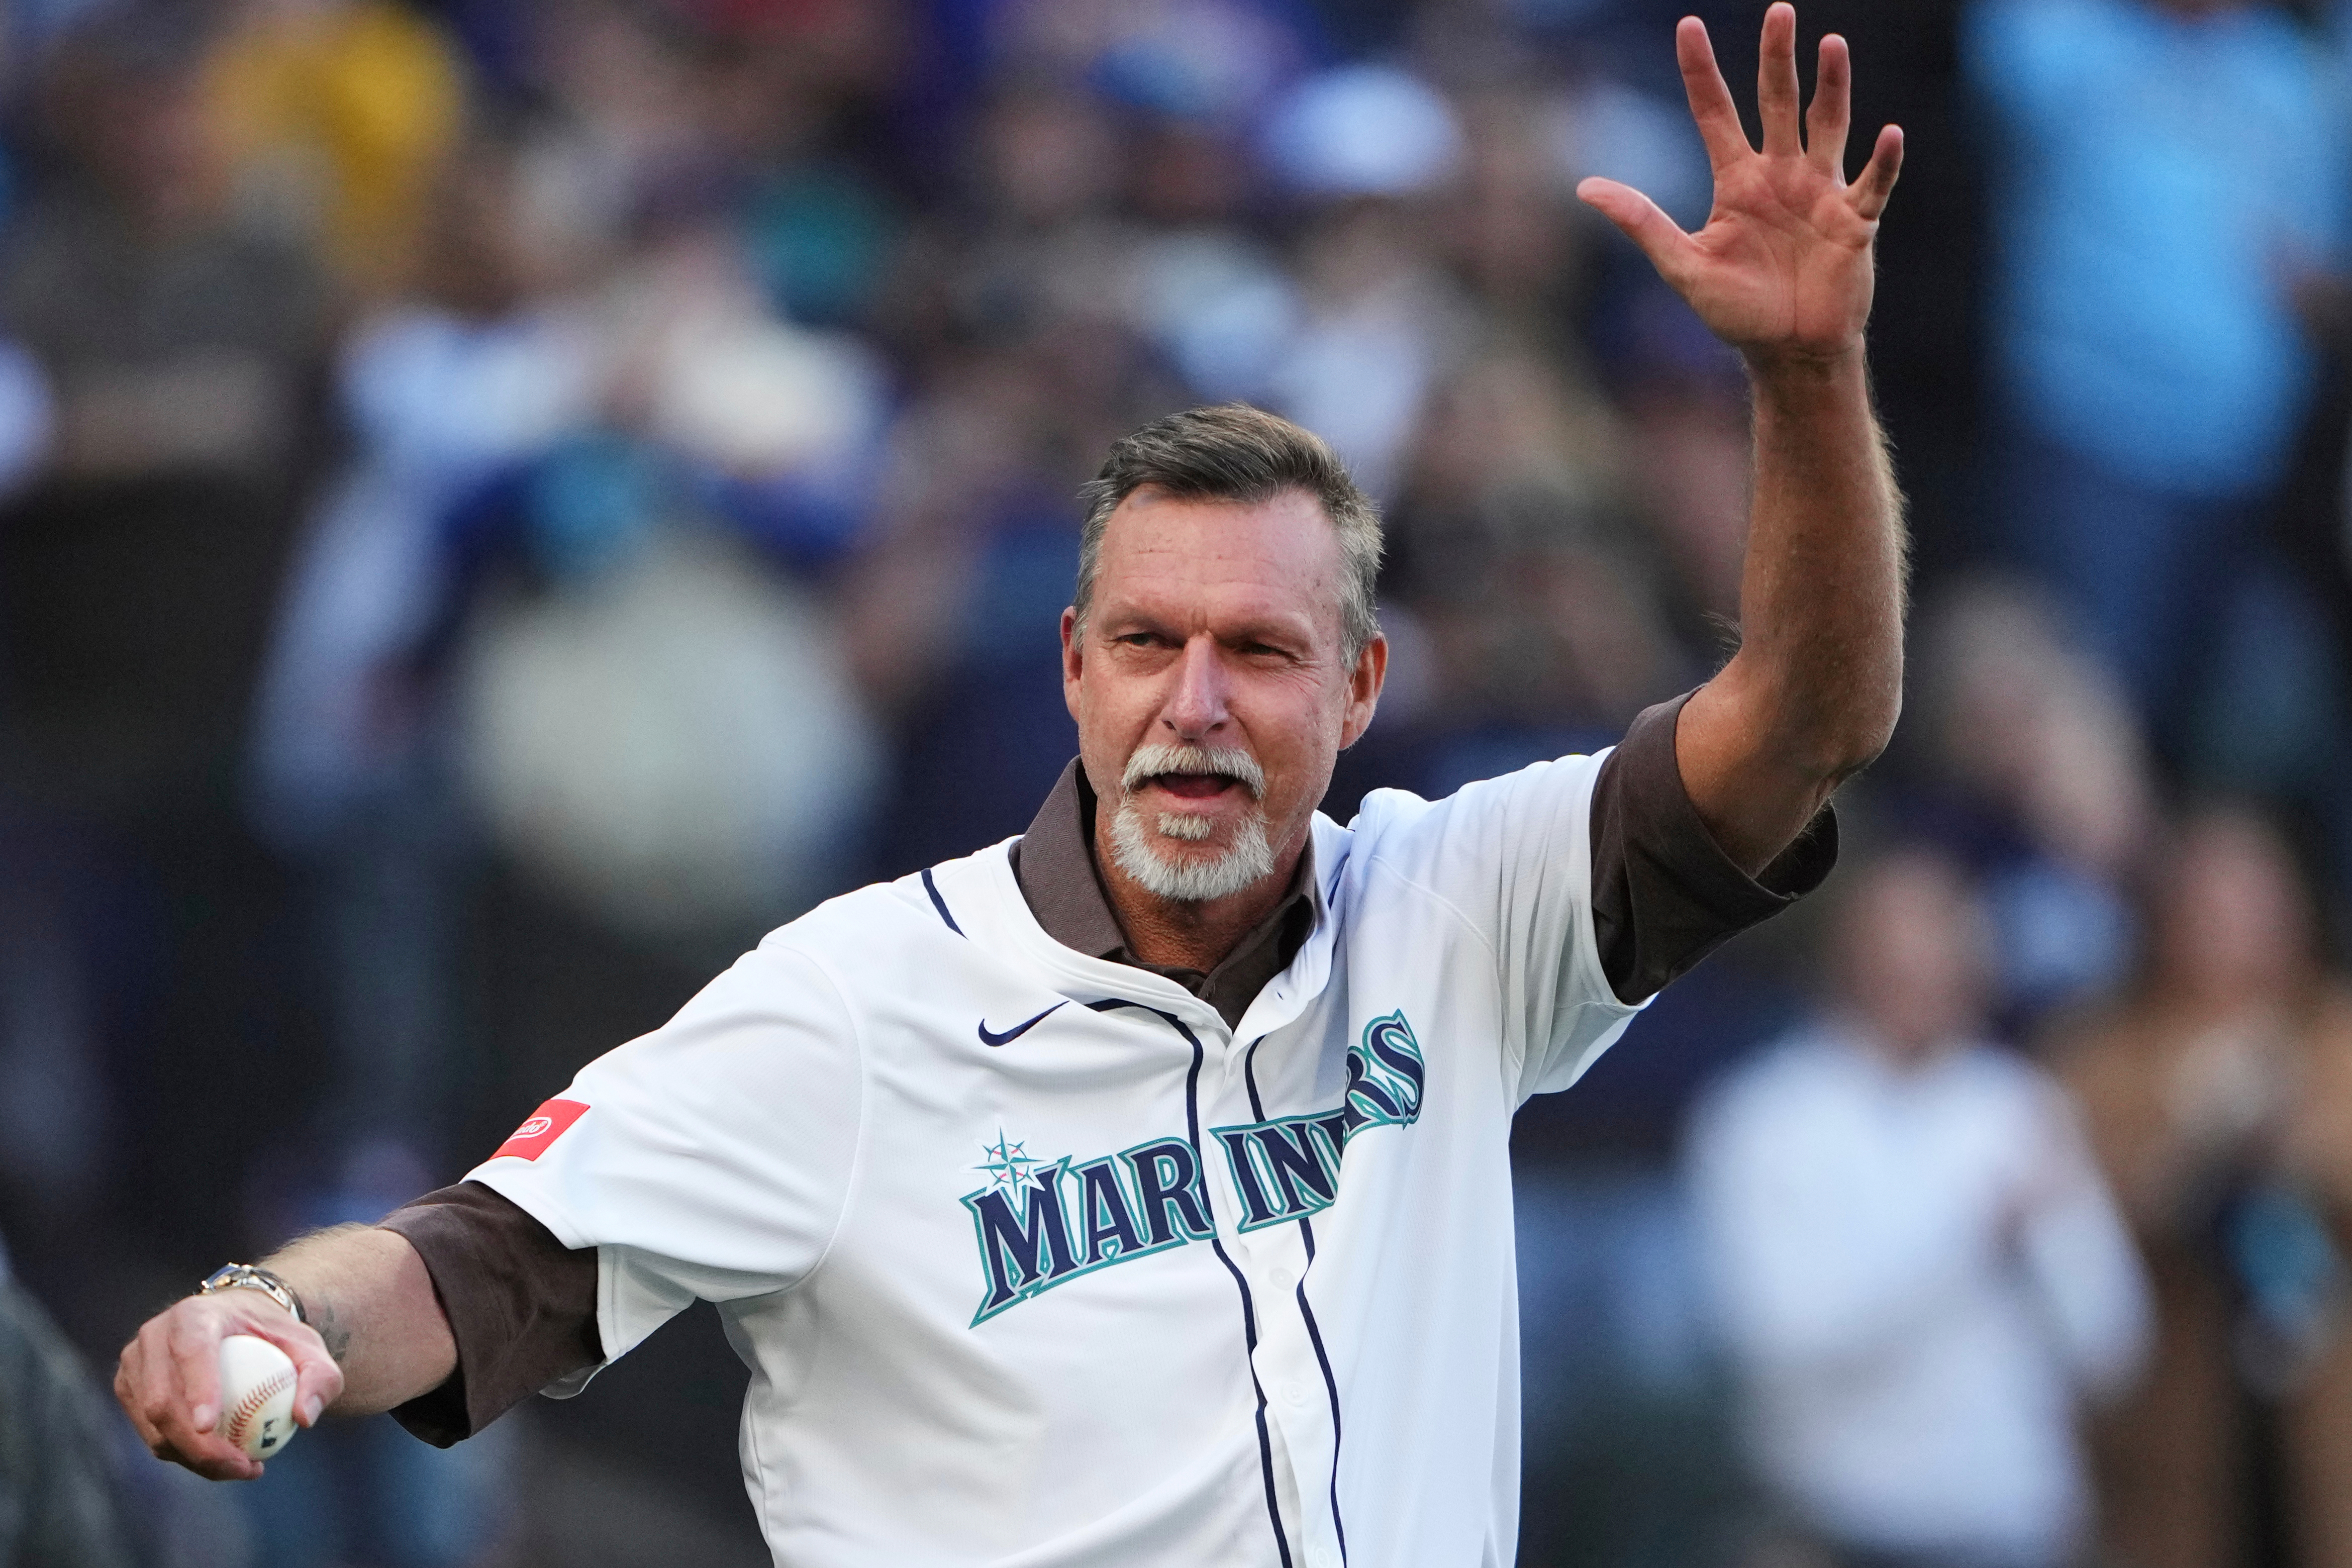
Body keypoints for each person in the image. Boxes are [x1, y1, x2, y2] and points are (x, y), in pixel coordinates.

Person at [113, 8, 1906, 1563]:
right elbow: (470, 1267)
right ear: (1072, 666)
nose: (1194, 705)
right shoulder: (856, 1008)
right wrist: (272, 1311)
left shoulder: (1461, 908)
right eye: (1146, 646)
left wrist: (1808, 380)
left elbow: (1806, 722)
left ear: (1362, 687)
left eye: (1262, 655)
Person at [1687, 850, 2150, 1568]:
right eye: (1898, 952)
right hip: (1832, 1527)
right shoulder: (1764, 1118)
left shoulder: (2020, 1107)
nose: (1925, 973)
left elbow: (2110, 1349)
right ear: (1847, 956)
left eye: (1945, 947)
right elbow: (1779, 1341)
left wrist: (2053, 1239)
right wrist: (1971, 1237)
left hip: (2009, 1526)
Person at [2055, 809, 2352, 1568]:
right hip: (2170, 1418)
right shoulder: (2102, 1053)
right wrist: (2190, 1157)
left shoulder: (2336, 1038)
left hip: (2326, 1419)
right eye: (2208, 908)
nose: (2233, 930)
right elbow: (2074, 1213)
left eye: (2255, 905)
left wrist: (2296, 1154)